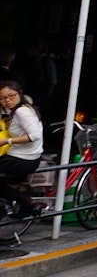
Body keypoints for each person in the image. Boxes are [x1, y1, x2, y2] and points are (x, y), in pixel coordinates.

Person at [0, 81, 42, 218]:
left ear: (20, 94)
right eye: (2, 98)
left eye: (11, 96)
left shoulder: (22, 112)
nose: (7, 100)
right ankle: (24, 203)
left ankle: (28, 203)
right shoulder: (26, 108)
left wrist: (7, 141)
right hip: (28, 157)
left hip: (21, 159)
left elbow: (35, 135)